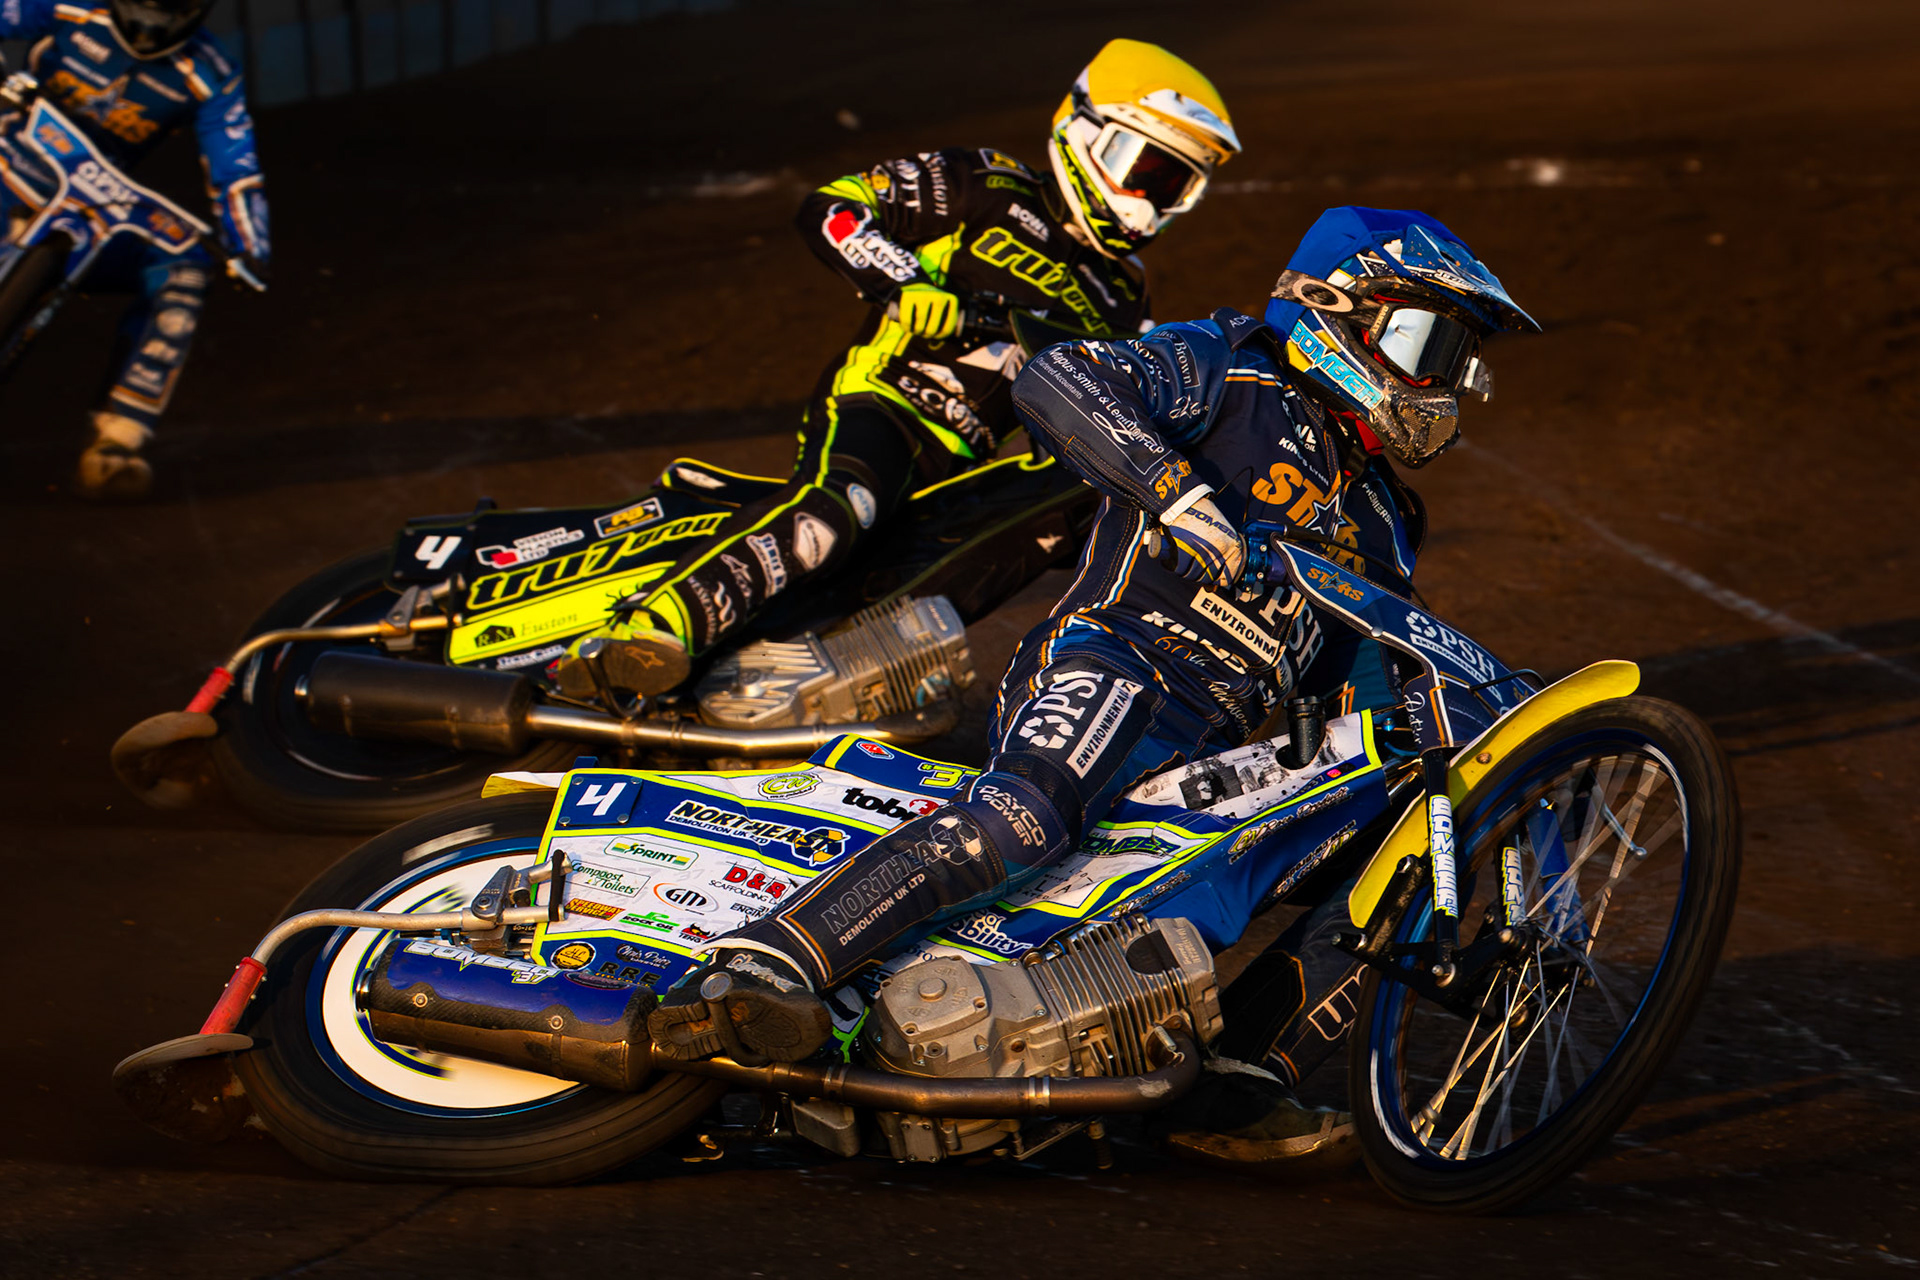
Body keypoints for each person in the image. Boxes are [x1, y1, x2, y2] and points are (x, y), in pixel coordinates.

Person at [643, 205, 1541, 1160]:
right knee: (1029, 817)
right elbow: (1059, 377)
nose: (1443, 383)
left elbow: (1359, 668)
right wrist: (1176, 492)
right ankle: (771, 961)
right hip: (1116, 660)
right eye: (1427, 343)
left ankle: (1241, 1078)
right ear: (1334, 305)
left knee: (1404, 825)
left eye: (1458, 362)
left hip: (1216, 742)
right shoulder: (1230, 366)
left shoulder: (1390, 517)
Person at [554, 38, 1240, 699]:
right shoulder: (987, 185)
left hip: (962, 458)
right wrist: (904, 283)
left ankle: (810, 680)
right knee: (836, 512)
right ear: (1089, 133)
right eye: (1150, 171)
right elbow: (835, 208)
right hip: (882, 403)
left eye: (1178, 186)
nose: (1156, 199)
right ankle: (650, 627)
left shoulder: (1123, 293)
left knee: (987, 553)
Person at [0, 0, 269, 500]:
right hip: (11, 168)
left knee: (185, 266)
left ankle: (118, 441)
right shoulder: (71, 7)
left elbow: (235, 166)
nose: (151, 26)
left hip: (100, 214)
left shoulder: (210, 72)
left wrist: (248, 246)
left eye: (170, 10)